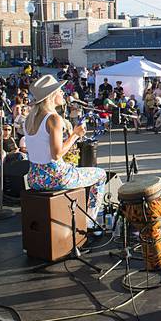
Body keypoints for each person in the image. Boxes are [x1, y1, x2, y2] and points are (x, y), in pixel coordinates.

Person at [25, 75, 106, 227]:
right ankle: (89, 222)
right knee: (100, 175)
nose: (62, 93)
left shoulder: (29, 118)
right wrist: (75, 135)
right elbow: (56, 154)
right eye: (59, 91)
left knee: (75, 169)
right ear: (51, 95)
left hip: (34, 177)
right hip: (55, 177)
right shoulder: (53, 118)